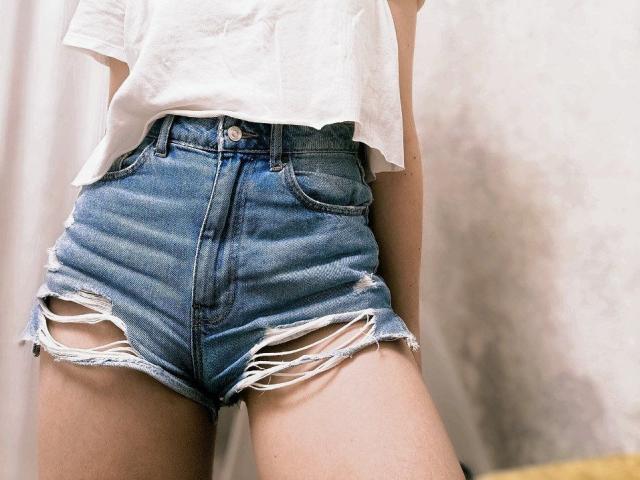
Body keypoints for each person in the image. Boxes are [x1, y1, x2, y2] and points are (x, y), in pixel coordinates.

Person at [20, 0, 466, 478]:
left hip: (313, 268)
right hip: (126, 255)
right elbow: (125, 108)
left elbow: (395, 129)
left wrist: (406, 343)